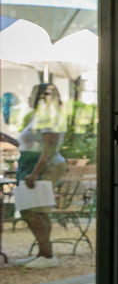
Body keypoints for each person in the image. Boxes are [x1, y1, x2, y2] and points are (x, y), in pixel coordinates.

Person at [16, 82, 68, 269]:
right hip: (33, 165)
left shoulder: (48, 117)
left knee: (34, 211)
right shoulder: (39, 117)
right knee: (33, 210)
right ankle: (43, 254)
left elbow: (49, 148)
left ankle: (47, 256)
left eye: (32, 94)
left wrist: (35, 173)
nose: (28, 97)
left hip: (43, 167)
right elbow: (33, 145)